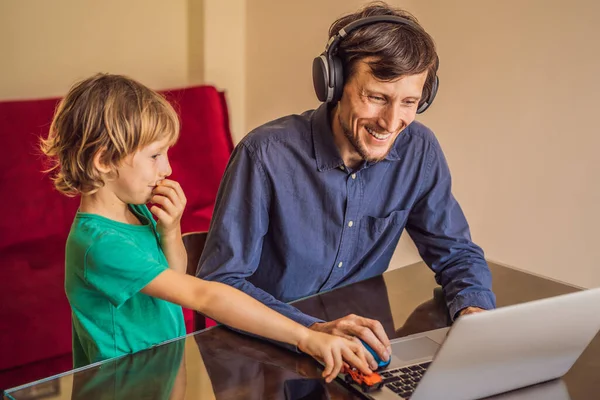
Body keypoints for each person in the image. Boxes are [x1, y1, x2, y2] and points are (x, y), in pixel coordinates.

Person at [198, 0, 496, 371]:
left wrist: (474, 310)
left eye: (409, 102)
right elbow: (221, 281)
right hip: (268, 356)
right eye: (376, 98)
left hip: (362, 353)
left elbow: (455, 252)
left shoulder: (419, 149)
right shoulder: (265, 155)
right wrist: (314, 330)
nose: (391, 122)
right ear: (334, 84)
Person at [40, 73, 370, 382]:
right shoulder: (99, 245)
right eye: (155, 156)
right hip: (125, 387)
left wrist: (170, 230)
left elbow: (173, 282)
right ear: (104, 161)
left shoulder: (136, 211)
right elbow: (201, 294)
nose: (166, 168)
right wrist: (305, 336)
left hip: (161, 374)